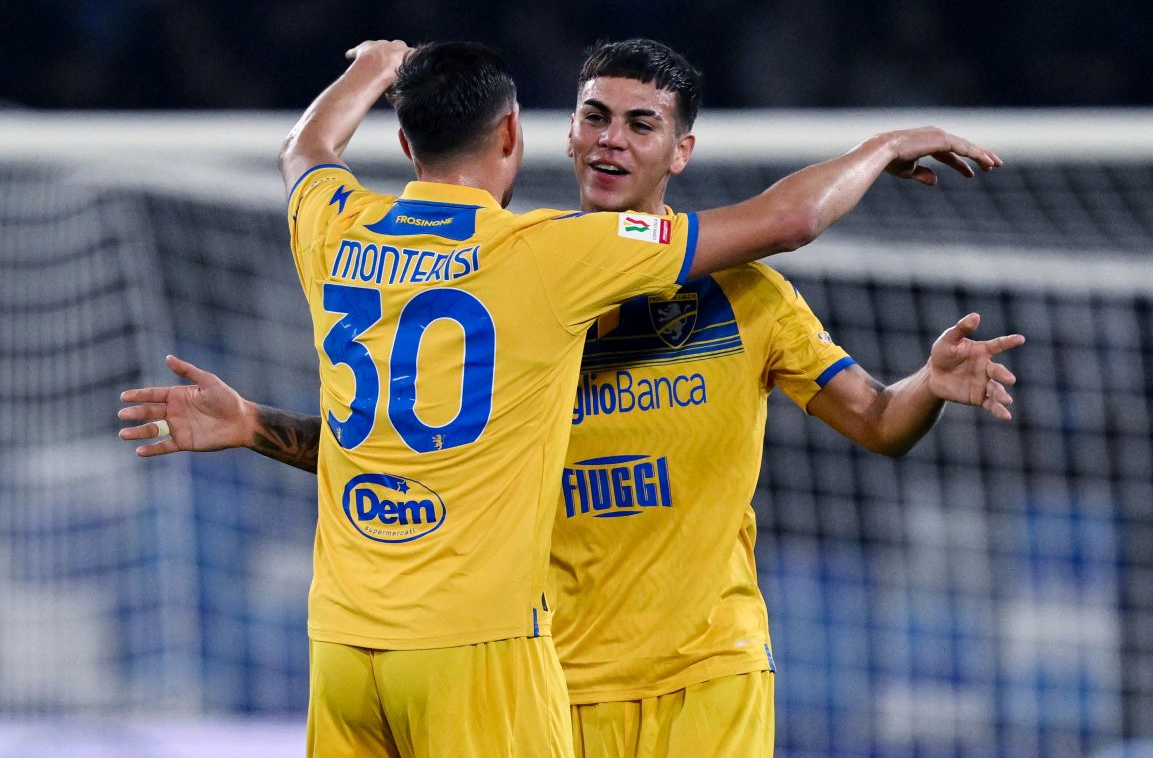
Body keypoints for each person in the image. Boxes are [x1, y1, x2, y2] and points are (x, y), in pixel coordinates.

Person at [118, 38, 1005, 757]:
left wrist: (925, 386)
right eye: (594, 116)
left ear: (681, 151)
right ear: (554, 136)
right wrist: (258, 426)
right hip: (537, 673)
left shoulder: (747, 298)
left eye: (641, 124)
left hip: (704, 674)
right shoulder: (533, 271)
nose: (612, 139)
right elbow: (403, 451)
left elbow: (879, 421)